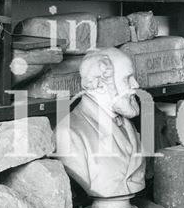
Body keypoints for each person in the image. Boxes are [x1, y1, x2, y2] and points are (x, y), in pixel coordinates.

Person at [55, 47, 146, 199]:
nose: (135, 84)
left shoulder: (127, 123)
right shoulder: (68, 133)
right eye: (127, 78)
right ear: (100, 85)